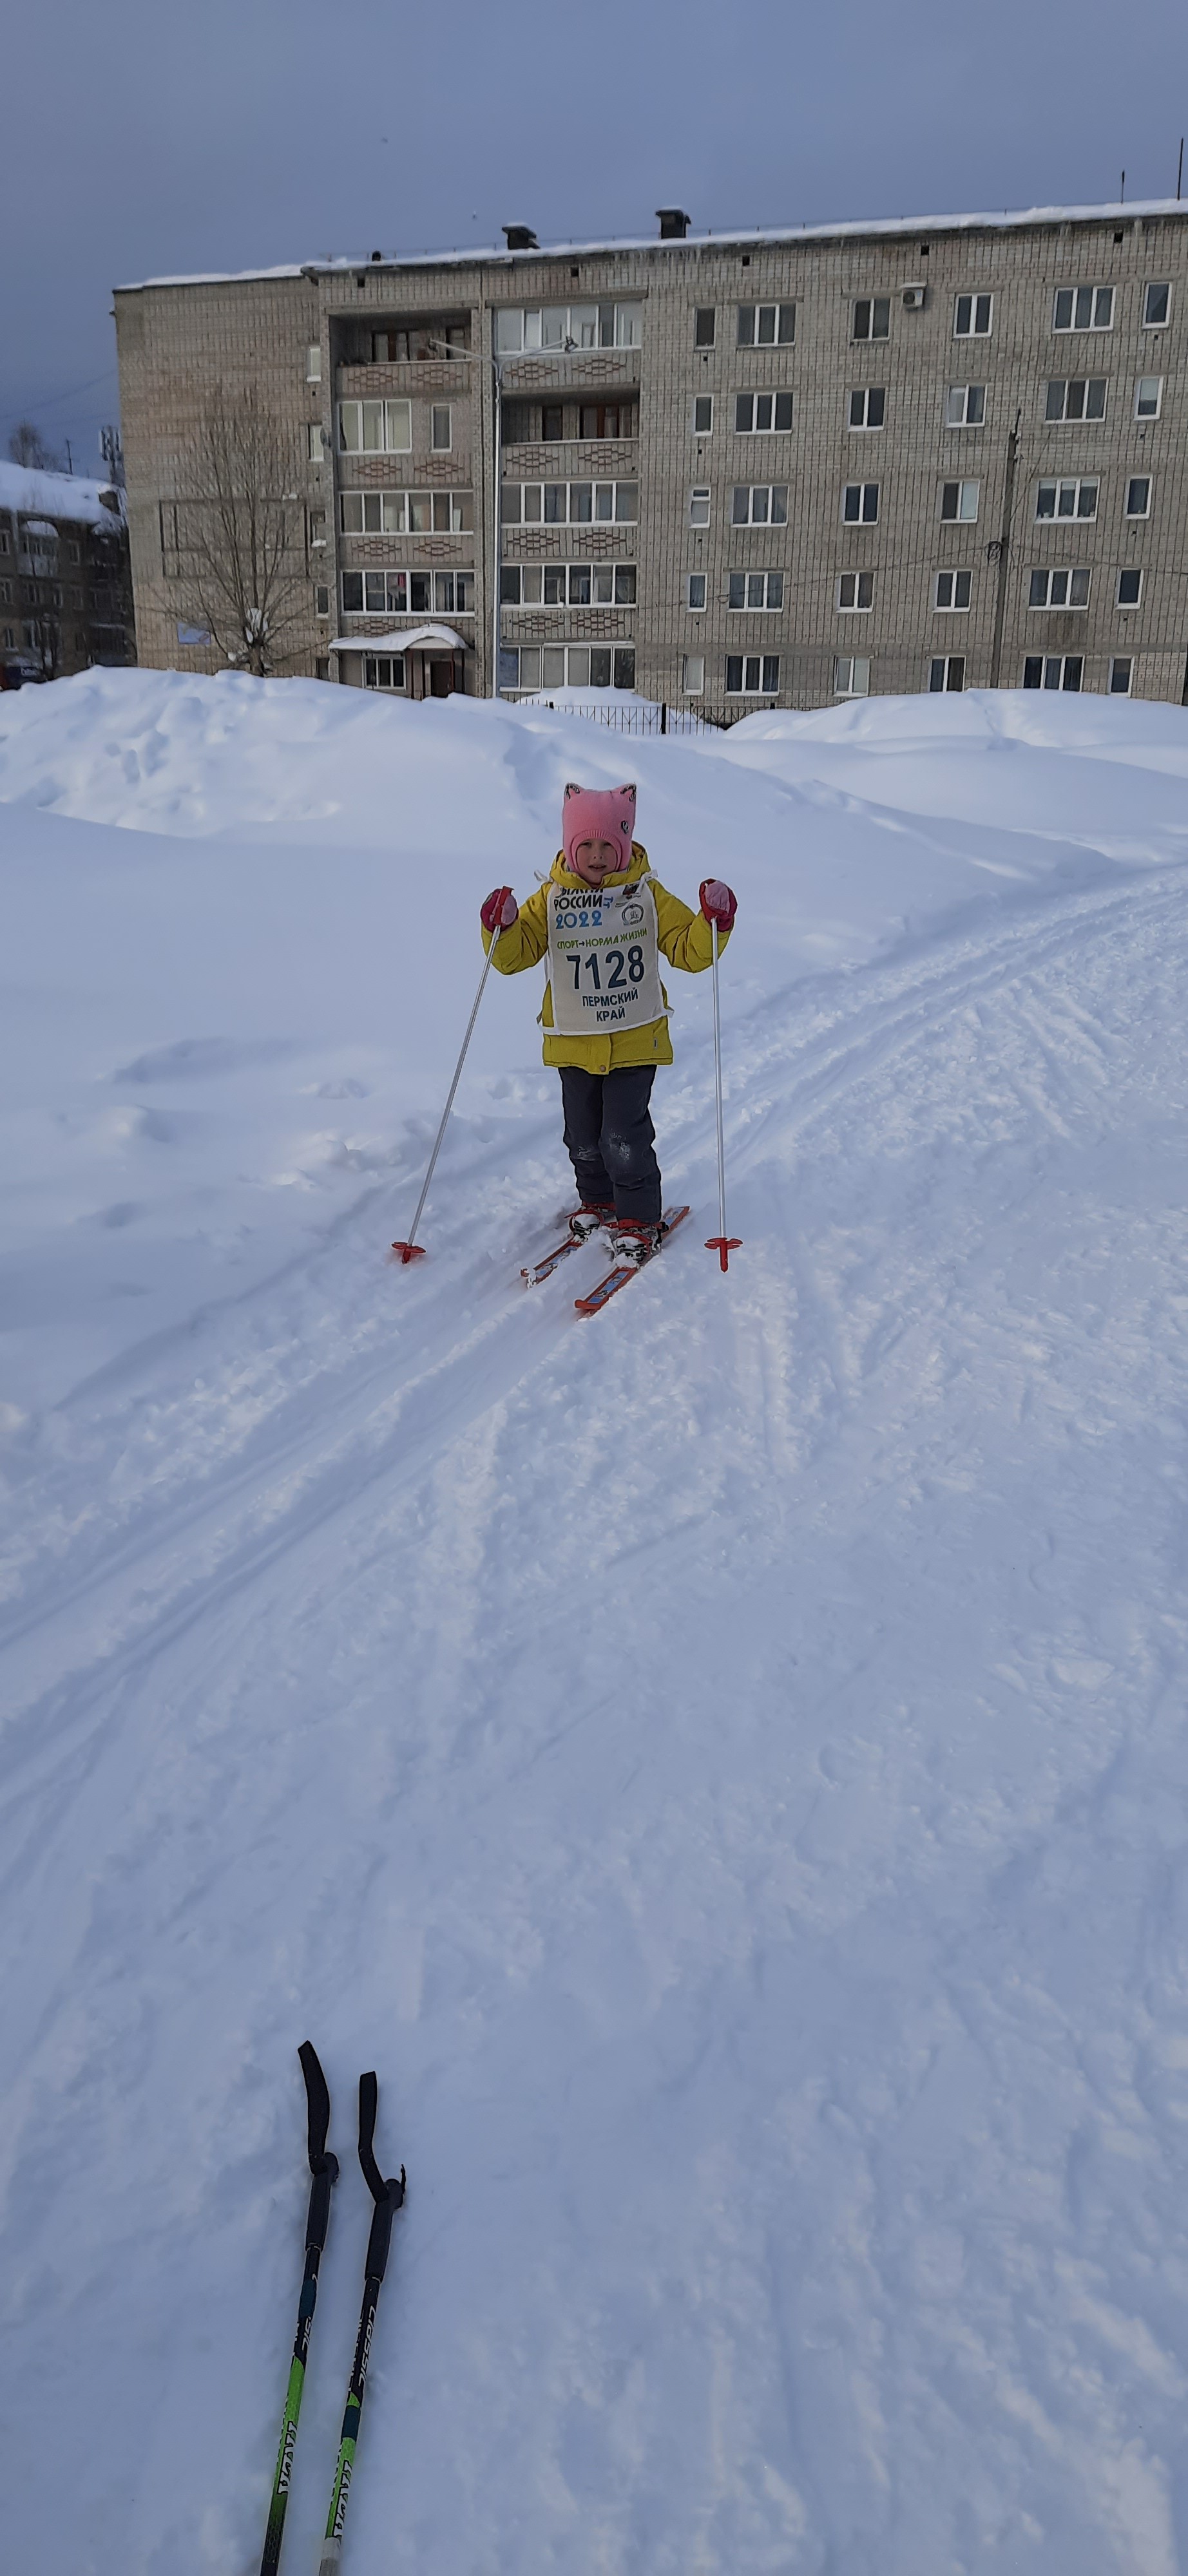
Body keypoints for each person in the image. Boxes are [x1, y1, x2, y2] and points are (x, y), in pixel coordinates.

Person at [481, 781, 737, 1264]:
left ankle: (638, 1217)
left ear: (624, 845)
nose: (597, 856)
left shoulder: (646, 895)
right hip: (573, 1043)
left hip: (635, 1038)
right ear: (570, 846)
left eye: (607, 845)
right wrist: (503, 925)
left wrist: (712, 924)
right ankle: (597, 1200)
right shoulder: (551, 899)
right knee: (582, 1136)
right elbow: (514, 958)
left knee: (623, 1134)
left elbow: (687, 949)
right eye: (586, 845)